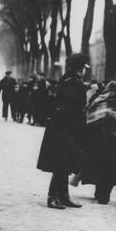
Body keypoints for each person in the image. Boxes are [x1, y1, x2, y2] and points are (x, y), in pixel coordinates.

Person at [36, 53, 89, 210]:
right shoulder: (72, 82)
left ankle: (63, 196)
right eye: (84, 68)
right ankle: (53, 197)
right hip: (64, 128)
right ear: (79, 68)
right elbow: (69, 107)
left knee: (65, 163)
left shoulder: (71, 80)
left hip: (66, 128)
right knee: (60, 163)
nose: (85, 71)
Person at [80, 81, 116, 204]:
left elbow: (90, 116)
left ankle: (98, 191)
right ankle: (105, 194)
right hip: (115, 142)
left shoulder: (99, 100)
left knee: (100, 165)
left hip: (99, 140)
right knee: (111, 168)